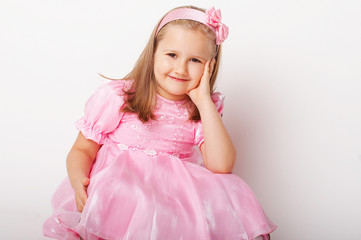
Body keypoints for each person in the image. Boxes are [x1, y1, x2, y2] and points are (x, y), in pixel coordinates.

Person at [43, 5, 277, 240]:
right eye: (172, 55)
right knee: (135, 196)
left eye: (195, 60)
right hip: (123, 187)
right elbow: (83, 148)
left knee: (232, 188)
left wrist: (204, 102)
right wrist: (78, 179)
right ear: (154, 52)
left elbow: (222, 166)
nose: (181, 68)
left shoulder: (202, 109)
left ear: (210, 66)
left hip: (173, 194)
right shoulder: (120, 97)